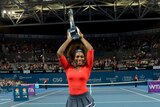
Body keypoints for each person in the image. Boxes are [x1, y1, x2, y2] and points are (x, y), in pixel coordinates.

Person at [57, 27, 95, 107]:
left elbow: (91, 49)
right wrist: (69, 39)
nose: (79, 58)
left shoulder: (88, 67)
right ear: (74, 58)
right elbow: (59, 53)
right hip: (72, 99)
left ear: (84, 58)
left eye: (81, 56)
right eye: (77, 56)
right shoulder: (67, 67)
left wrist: (82, 38)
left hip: (85, 98)